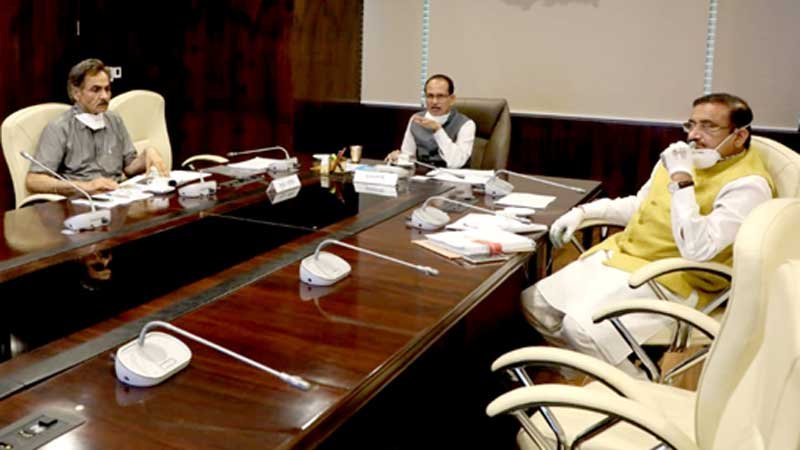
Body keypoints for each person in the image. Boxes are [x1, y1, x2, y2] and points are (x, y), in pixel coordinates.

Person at [521, 93, 775, 376]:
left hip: (678, 276)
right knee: (535, 304)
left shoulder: (748, 185)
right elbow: (639, 205)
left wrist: (682, 181)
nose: (694, 135)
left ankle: (635, 388)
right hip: (627, 256)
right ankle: (596, 371)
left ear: (739, 136)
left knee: (580, 329)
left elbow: (699, 249)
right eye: (691, 125)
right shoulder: (681, 160)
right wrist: (583, 213)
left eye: (709, 127)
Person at [26, 58, 167, 196]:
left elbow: (129, 167)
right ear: (76, 93)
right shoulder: (60, 127)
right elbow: (34, 180)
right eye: (96, 90)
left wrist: (147, 154)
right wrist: (85, 187)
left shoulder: (114, 120)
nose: (104, 96)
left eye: (107, 89)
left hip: (117, 195)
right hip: (81, 200)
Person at [385, 74, 475, 168]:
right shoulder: (416, 119)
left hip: (452, 176)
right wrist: (399, 158)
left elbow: (456, 162)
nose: (434, 101)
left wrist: (438, 130)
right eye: (430, 96)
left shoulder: (466, 124)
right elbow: (408, 157)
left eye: (440, 96)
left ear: (452, 99)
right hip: (422, 175)